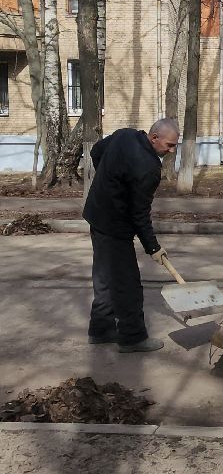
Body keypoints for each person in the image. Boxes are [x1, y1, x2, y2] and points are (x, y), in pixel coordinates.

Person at [83, 119, 179, 353]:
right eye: (169, 145)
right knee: (128, 284)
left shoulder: (124, 134)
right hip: (115, 225)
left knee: (104, 276)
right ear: (154, 137)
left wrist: (109, 181)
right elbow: (139, 214)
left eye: (174, 146)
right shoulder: (149, 169)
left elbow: (97, 152)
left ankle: (101, 329)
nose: (171, 151)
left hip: (96, 214)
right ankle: (132, 337)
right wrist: (153, 247)